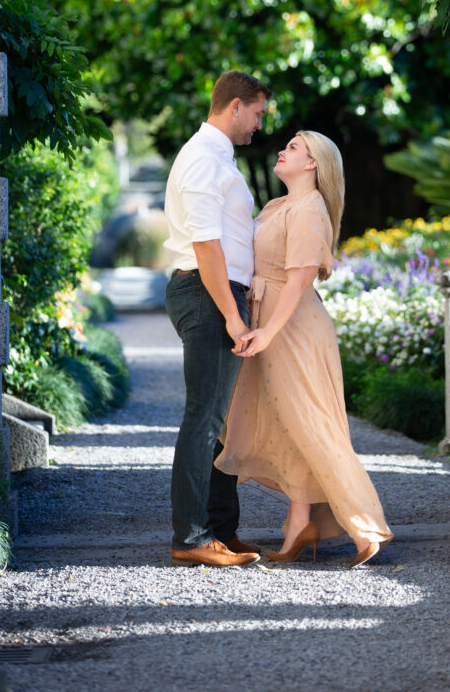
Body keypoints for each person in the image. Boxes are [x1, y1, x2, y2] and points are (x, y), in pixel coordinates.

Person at [216, 131, 393, 567]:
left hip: (292, 328)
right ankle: (299, 525)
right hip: (273, 321)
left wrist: (268, 333)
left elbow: (298, 280)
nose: (282, 150)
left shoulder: (311, 209)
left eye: (293, 147)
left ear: (313, 164)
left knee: (314, 422)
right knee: (290, 423)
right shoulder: (280, 206)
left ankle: (367, 526)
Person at [163, 70, 272, 568]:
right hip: (208, 294)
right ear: (234, 106)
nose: (258, 125)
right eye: (256, 114)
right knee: (204, 417)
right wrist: (232, 315)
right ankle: (191, 537)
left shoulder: (216, 156)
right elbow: (206, 245)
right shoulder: (203, 159)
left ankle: (221, 530)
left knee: (220, 422)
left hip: (217, 293)